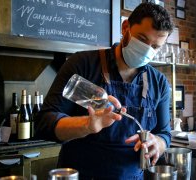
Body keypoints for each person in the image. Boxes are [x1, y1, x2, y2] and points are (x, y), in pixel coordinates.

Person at [35, 2, 174, 179]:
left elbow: (164, 133)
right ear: (126, 28)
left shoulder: (159, 82)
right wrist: (86, 125)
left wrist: (158, 143)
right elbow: (44, 123)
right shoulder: (81, 65)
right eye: (142, 39)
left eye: (155, 47)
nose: (147, 50)